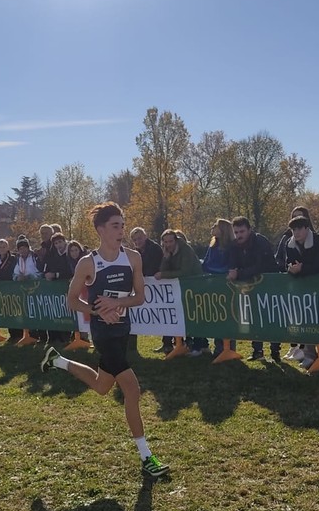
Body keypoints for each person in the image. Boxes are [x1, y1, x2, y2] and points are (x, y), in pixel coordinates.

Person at [40, 201, 169, 479]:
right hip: (103, 333)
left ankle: (57, 361)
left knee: (101, 386)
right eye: (115, 226)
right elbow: (72, 301)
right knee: (132, 390)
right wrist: (98, 309)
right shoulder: (89, 263)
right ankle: (147, 457)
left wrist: (115, 301)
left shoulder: (133, 258)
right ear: (100, 230)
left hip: (123, 330)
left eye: (122, 225)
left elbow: (140, 297)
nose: (121, 230)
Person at [228, 217, 280, 362]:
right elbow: (233, 264)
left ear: (249, 230)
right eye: (236, 232)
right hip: (250, 286)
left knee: (270, 318)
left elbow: (261, 266)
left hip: (269, 283)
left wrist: (240, 273)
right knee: (253, 317)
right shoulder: (234, 245)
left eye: (242, 231)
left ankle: (275, 351)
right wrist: (235, 271)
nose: (239, 235)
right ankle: (257, 351)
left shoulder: (260, 242)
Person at [283, 217, 319, 369]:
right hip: (303, 290)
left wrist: (302, 269)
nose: (295, 232)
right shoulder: (289, 244)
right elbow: (288, 263)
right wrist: (291, 269)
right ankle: (309, 355)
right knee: (307, 320)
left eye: (298, 229)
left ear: (306, 228)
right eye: (293, 230)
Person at [155, 228, 208, 356]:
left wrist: (163, 274)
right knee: (184, 316)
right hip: (182, 288)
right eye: (166, 242)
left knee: (195, 316)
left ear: (176, 240)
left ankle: (199, 346)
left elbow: (185, 272)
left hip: (195, 285)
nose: (168, 244)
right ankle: (188, 345)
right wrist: (166, 259)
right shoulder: (168, 251)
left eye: (171, 241)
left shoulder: (186, 250)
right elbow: (163, 268)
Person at [203, 218, 236, 357]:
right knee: (217, 315)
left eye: (215, 226)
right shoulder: (213, 246)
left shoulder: (231, 247)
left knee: (228, 316)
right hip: (214, 286)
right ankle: (218, 347)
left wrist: (215, 270)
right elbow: (205, 264)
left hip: (228, 287)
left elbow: (229, 267)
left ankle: (229, 348)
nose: (212, 228)